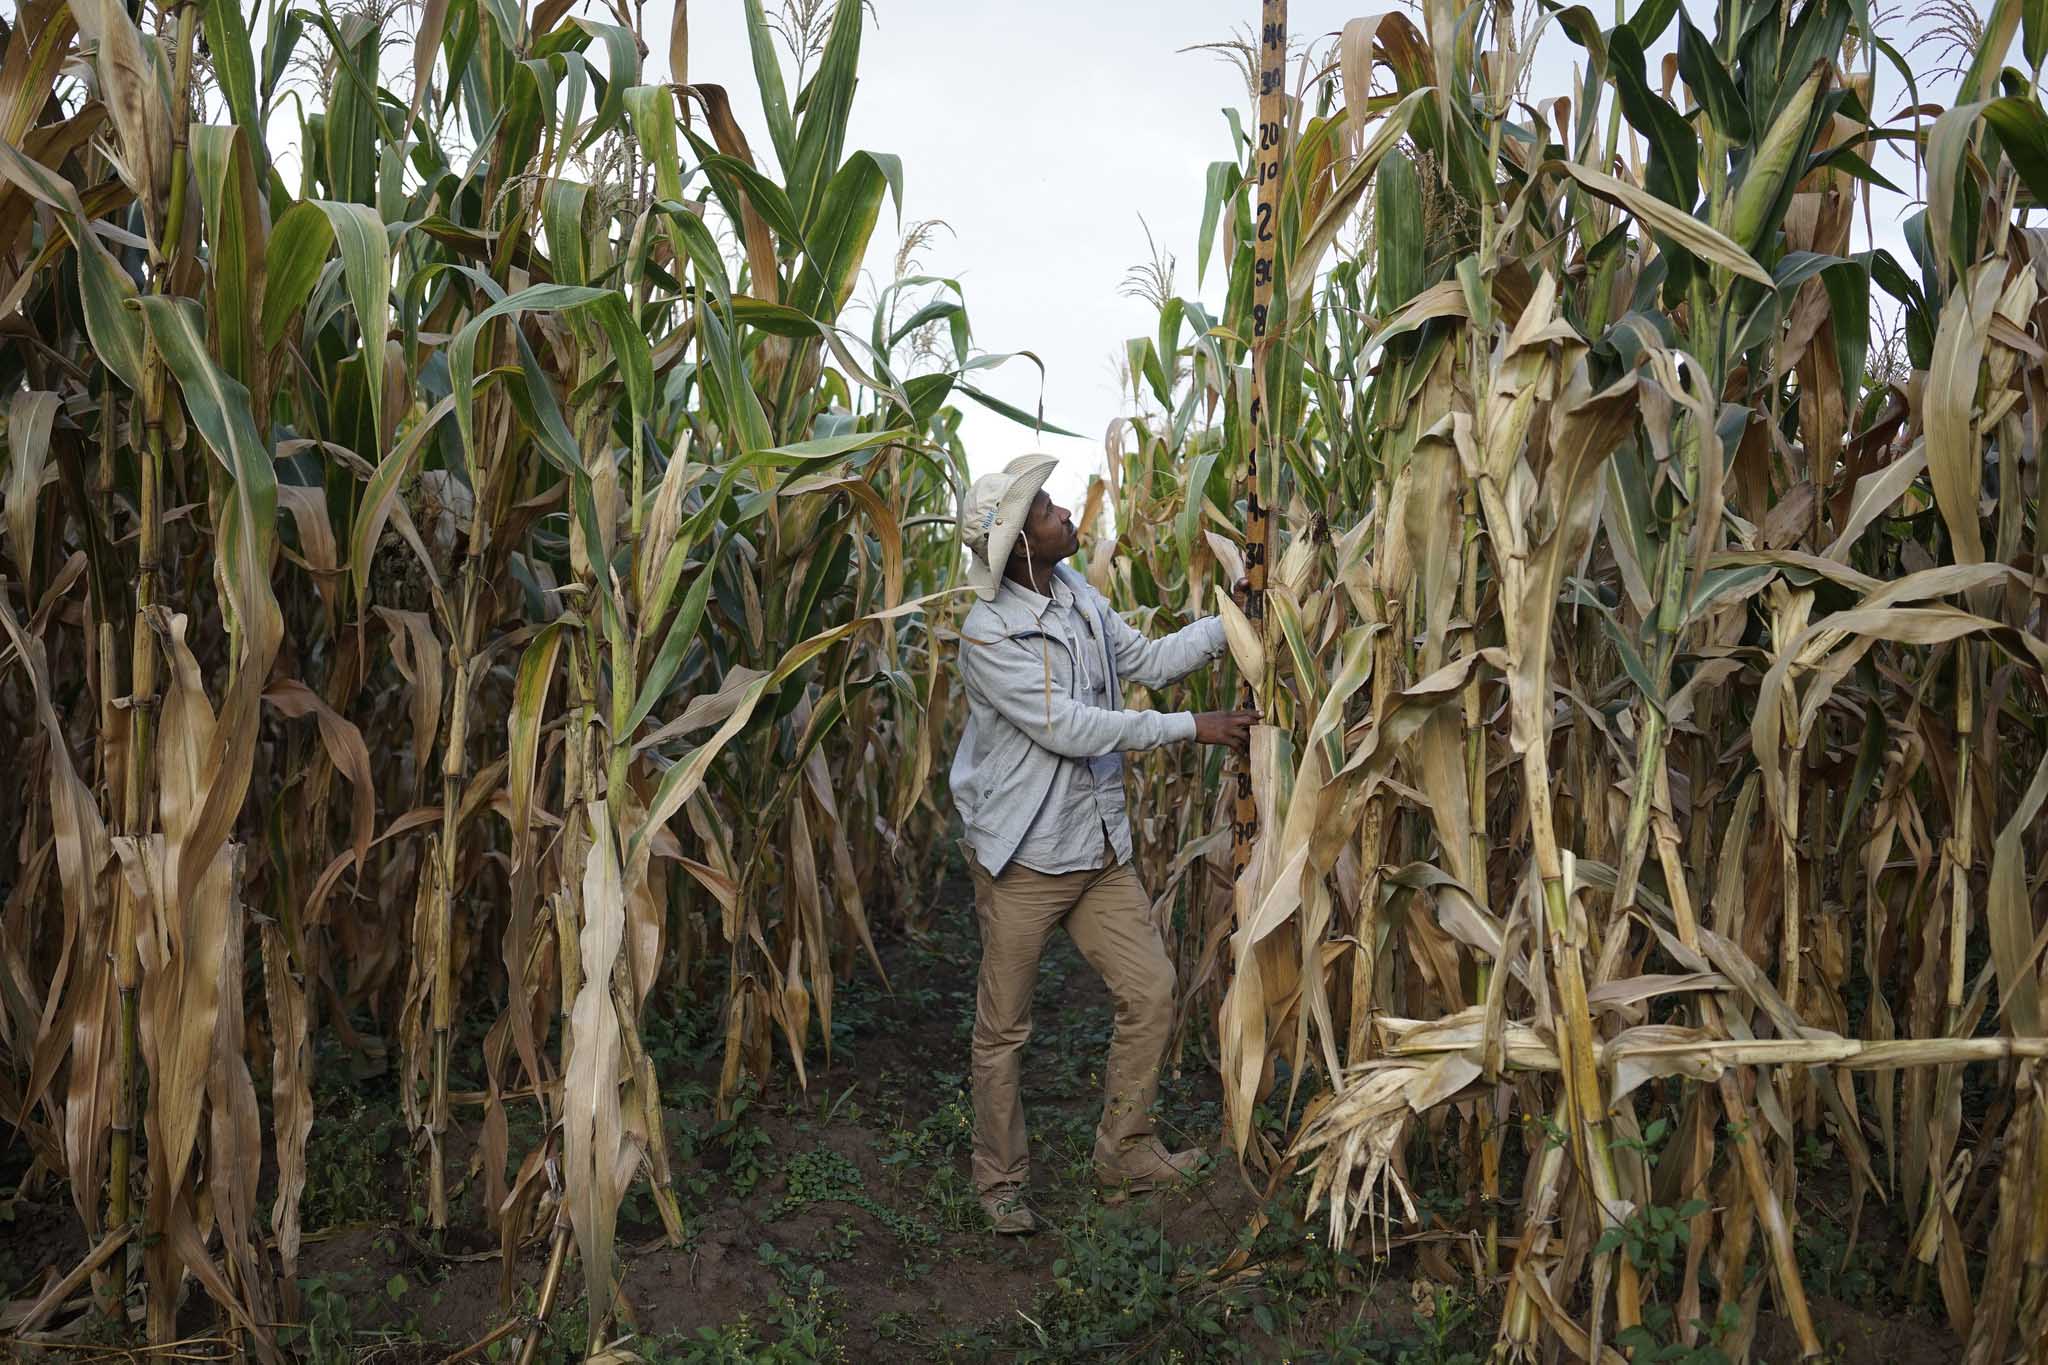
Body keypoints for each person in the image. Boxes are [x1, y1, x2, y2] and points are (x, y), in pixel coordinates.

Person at [949, 452, 1257, 1235]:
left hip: (1094, 848)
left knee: (1152, 991)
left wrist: (1235, 624)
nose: (1061, 511)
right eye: (1045, 508)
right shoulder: (989, 635)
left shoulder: (1078, 594)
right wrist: (1194, 728)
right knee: (1004, 1028)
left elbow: (1147, 659)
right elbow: (1068, 727)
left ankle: (1124, 1151)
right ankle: (1000, 1180)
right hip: (1023, 858)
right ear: (1018, 544)